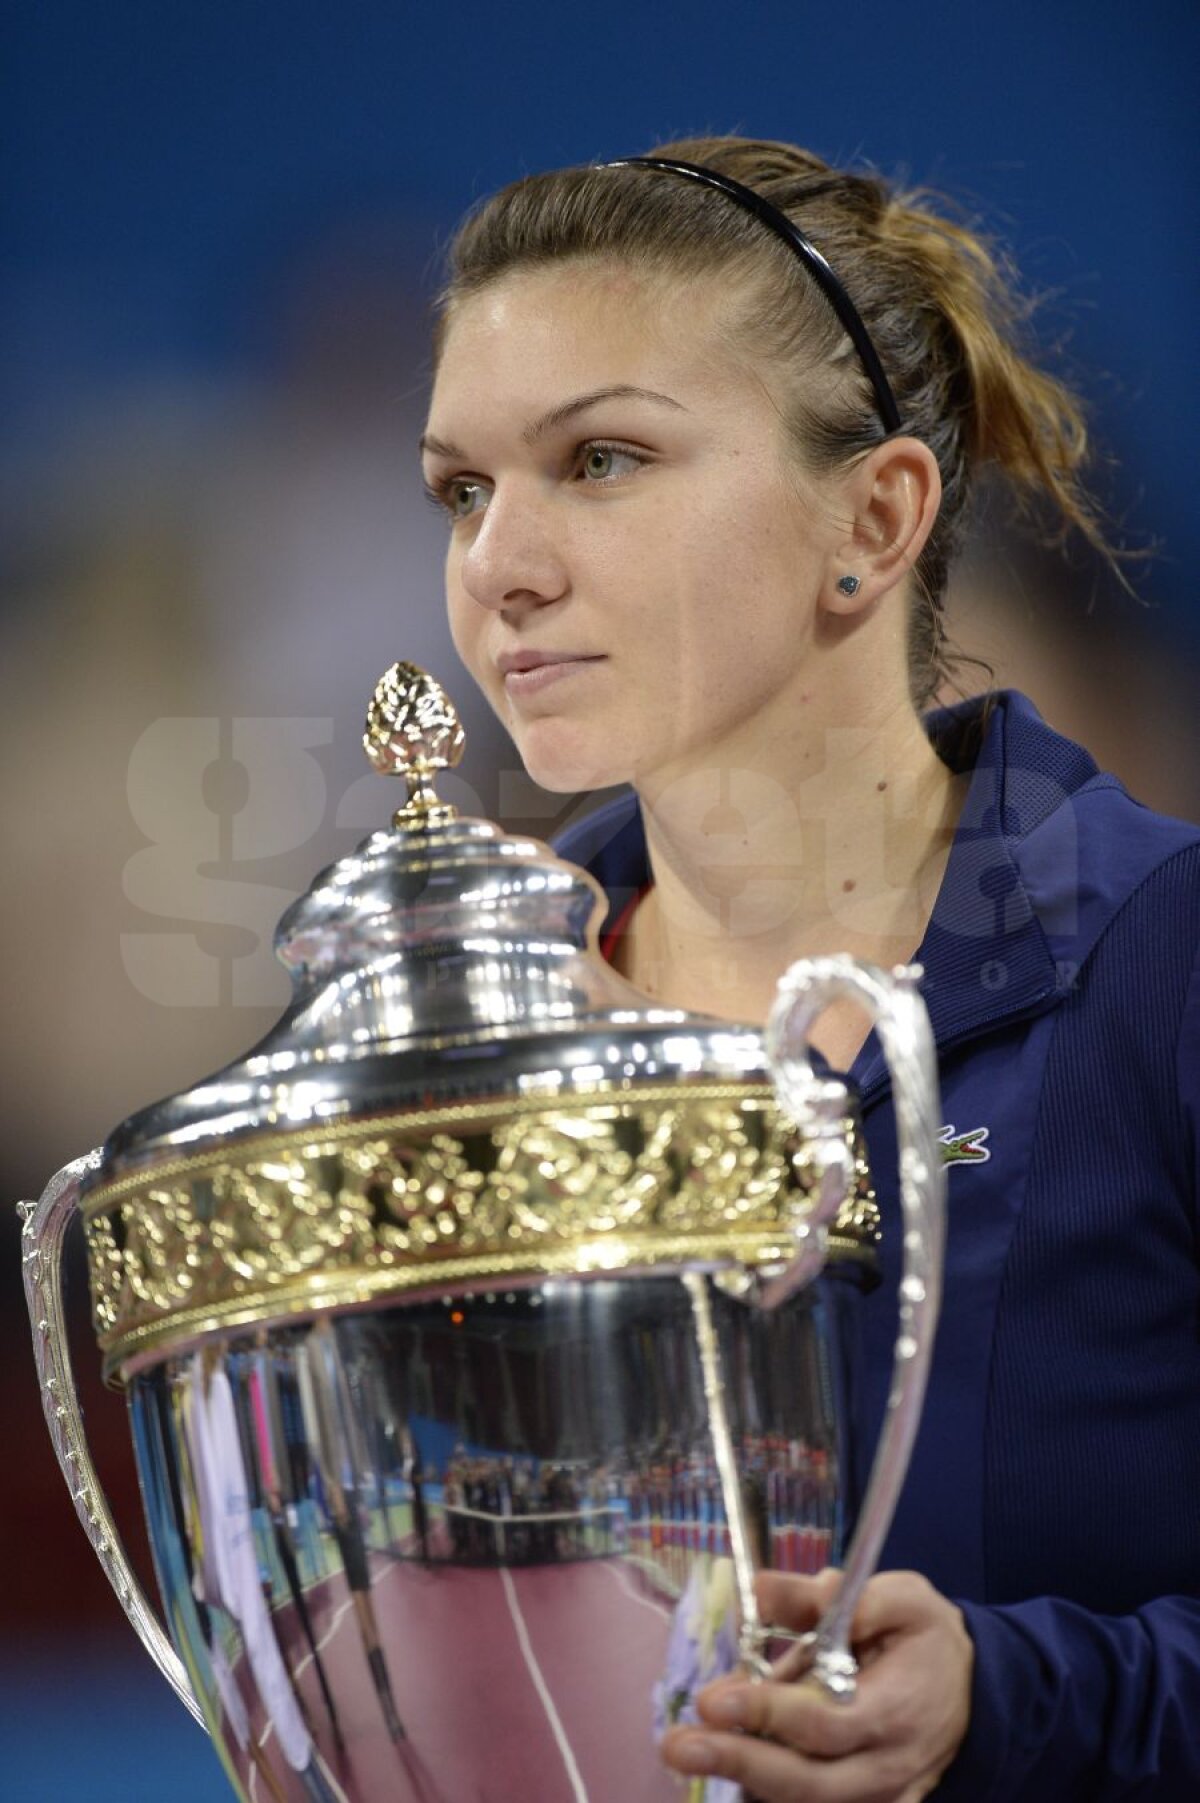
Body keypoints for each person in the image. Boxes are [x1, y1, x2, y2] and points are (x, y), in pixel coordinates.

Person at [418, 135, 1200, 1800]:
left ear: (877, 513)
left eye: (604, 459)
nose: (499, 567)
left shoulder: (1170, 961)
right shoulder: (469, 1041)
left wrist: (1009, 1695)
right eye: (463, 490)